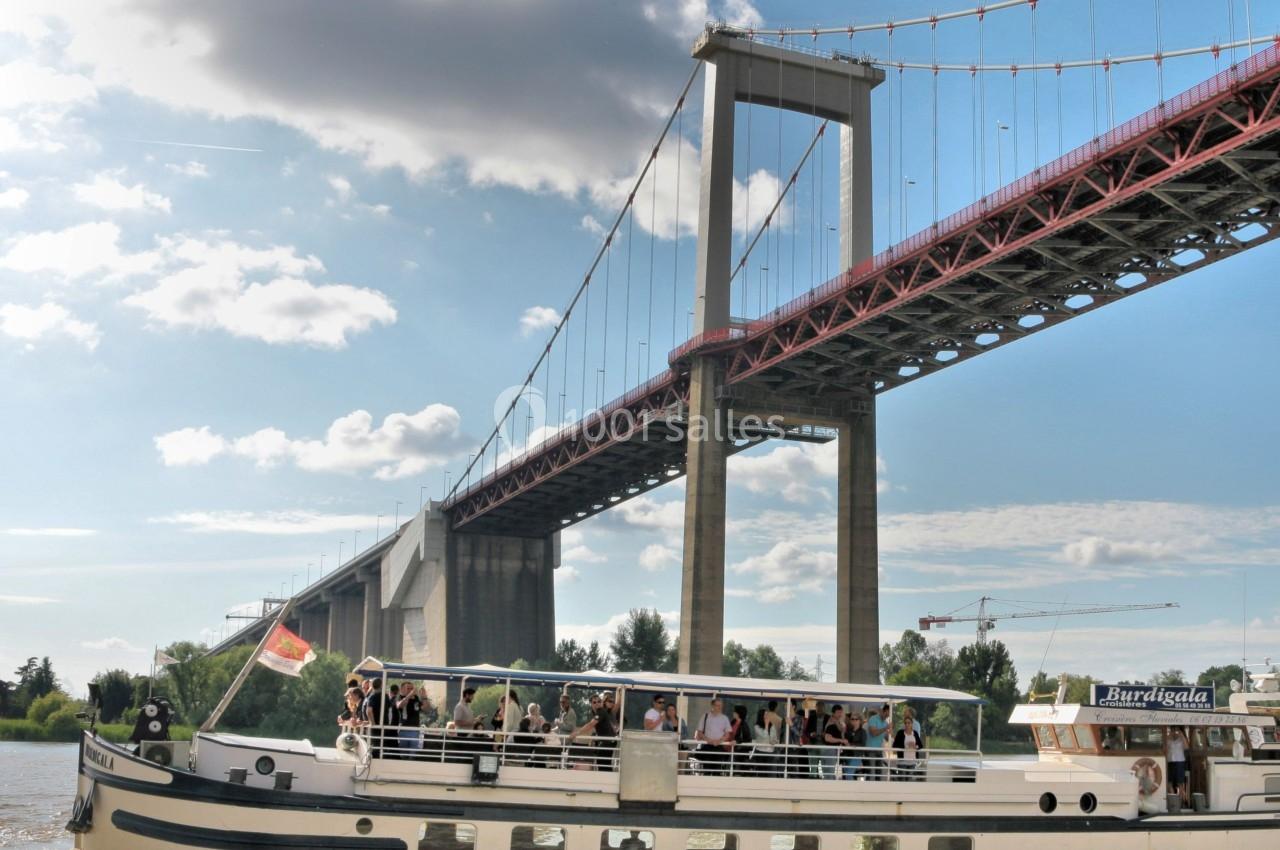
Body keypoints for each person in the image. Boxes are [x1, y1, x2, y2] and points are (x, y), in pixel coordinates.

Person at [694, 696, 734, 775]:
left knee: (717, 771)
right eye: (717, 705)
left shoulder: (724, 718)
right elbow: (699, 732)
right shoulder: (705, 716)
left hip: (719, 747)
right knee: (707, 770)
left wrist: (719, 741)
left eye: (721, 705)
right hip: (707, 746)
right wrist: (710, 741)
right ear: (712, 706)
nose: (720, 707)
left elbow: (727, 734)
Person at [893, 707, 924, 781]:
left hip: (912, 759)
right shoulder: (901, 730)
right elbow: (896, 742)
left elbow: (919, 744)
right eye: (905, 723)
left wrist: (915, 745)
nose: (907, 725)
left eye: (909, 723)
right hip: (902, 759)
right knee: (902, 780)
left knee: (909, 780)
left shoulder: (916, 728)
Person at [365, 678, 390, 758]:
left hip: (377, 727)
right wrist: (373, 723)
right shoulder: (384, 696)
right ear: (381, 685)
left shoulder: (372, 697)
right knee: (381, 746)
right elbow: (369, 711)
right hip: (383, 725)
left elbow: (369, 711)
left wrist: (372, 723)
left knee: (376, 746)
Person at [594, 691, 618, 771]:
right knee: (603, 763)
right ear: (605, 701)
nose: (612, 703)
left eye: (613, 702)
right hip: (606, 742)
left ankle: (607, 780)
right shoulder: (602, 711)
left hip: (608, 742)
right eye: (610, 701)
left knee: (604, 762)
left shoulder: (610, 713)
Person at [396, 681, 423, 755]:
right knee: (403, 754)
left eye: (412, 688)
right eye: (408, 688)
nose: (411, 690)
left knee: (413, 755)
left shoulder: (416, 698)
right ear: (402, 689)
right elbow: (399, 706)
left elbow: (425, 709)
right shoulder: (399, 697)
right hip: (404, 730)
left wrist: (424, 696)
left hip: (415, 730)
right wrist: (409, 695)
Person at [821, 704, 848, 779]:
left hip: (834, 750)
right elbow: (827, 738)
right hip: (830, 750)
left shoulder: (838, 723)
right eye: (838, 712)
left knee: (830, 771)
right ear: (833, 713)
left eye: (841, 712)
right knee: (829, 772)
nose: (840, 714)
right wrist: (841, 740)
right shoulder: (831, 724)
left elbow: (842, 731)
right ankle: (828, 787)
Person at [752, 707, 780, 777]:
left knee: (770, 773)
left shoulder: (772, 726)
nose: (767, 716)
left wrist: (774, 741)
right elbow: (764, 736)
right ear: (761, 716)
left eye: (767, 714)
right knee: (761, 773)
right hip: (760, 751)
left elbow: (774, 738)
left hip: (770, 752)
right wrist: (766, 725)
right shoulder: (757, 726)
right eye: (765, 715)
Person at [865, 703, 890, 780]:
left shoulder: (885, 723)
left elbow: (886, 738)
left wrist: (890, 733)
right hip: (870, 750)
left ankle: (877, 790)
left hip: (879, 750)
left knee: (879, 773)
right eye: (887, 713)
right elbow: (874, 733)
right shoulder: (873, 719)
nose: (888, 715)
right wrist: (885, 728)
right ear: (883, 711)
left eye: (889, 714)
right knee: (871, 772)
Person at [1167, 727, 1189, 803]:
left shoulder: (1181, 740)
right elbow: (1165, 747)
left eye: (1176, 730)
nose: (1175, 732)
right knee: (1169, 781)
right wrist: (1169, 734)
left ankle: (1181, 800)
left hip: (1180, 761)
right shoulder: (1168, 739)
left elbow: (1186, 747)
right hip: (1170, 761)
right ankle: (1173, 799)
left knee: (1180, 782)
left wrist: (1181, 735)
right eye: (1173, 730)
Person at [843, 712, 867, 780]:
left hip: (856, 755)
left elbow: (863, 744)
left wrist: (851, 745)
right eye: (852, 719)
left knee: (848, 774)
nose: (854, 721)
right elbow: (845, 741)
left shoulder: (863, 732)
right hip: (847, 755)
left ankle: (851, 790)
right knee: (846, 774)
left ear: (860, 720)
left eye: (856, 719)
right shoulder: (848, 731)